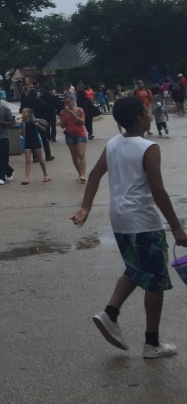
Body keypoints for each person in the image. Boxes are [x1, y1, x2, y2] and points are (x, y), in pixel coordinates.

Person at [73, 96, 187, 359]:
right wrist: (177, 229)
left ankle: (110, 314)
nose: (149, 115)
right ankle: (152, 344)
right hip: (143, 221)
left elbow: (94, 175)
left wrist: (85, 207)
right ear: (139, 118)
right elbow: (158, 190)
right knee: (155, 283)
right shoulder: (149, 147)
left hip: (121, 220)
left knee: (135, 269)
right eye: (146, 112)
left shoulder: (113, 144)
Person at [59, 93, 88, 182]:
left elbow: (82, 122)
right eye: (65, 103)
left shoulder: (79, 110)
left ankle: (83, 174)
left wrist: (71, 113)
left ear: (73, 102)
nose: (67, 105)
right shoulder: (62, 112)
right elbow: (62, 126)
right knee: (74, 156)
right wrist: (65, 116)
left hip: (80, 134)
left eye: (69, 103)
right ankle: (80, 174)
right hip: (70, 135)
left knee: (81, 154)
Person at [21, 88, 55, 161]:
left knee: (32, 138)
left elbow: (21, 110)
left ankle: (35, 157)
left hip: (29, 122)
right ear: (36, 94)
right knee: (44, 138)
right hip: (40, 121)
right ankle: (48, 155)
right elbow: (46, 112)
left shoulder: (25, 102)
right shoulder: (41, 102)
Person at [19, 108, 51, 184]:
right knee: (27, 161)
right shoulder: (22, 123)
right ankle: (26, 178)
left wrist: (38, 125)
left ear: (29, 114)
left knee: (40, 159)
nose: (23, 114)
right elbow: (23, 134)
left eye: (24, 112)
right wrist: (23, 125)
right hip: (28, 142)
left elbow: (44, 129)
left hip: (36, 141)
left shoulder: (34, 121)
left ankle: (45, 174)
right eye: (22, 112)